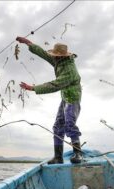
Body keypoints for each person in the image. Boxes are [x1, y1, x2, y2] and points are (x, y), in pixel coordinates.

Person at [16, 36, 83, 164]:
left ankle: (78, 153)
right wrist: (28, 43)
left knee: (69, 123)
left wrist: (32, 88)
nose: (54, 57)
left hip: (73, 97)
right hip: (65, 96)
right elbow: (43, 54)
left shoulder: (70, 70)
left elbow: (55, 85)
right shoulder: (59, 60)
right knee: (58, 125)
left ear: (62, 56)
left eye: (56, 56)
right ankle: (58, 157)